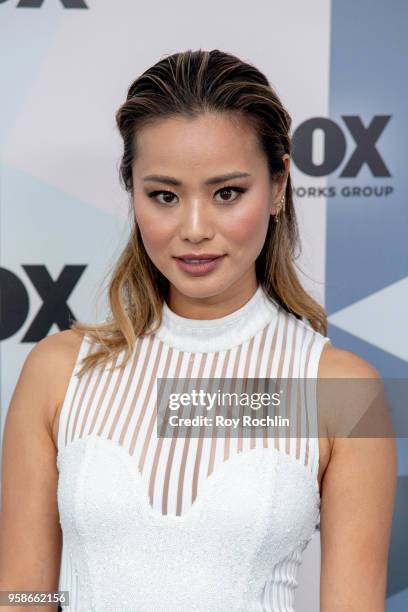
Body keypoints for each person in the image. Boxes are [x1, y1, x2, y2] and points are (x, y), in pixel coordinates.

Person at [0, 49, 397, 612]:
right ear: (133, 194)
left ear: (279, 186)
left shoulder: (338, 391)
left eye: (227, 193)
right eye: (164, 195)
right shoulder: (59, 371)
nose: (193, 229)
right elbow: (21, 591)